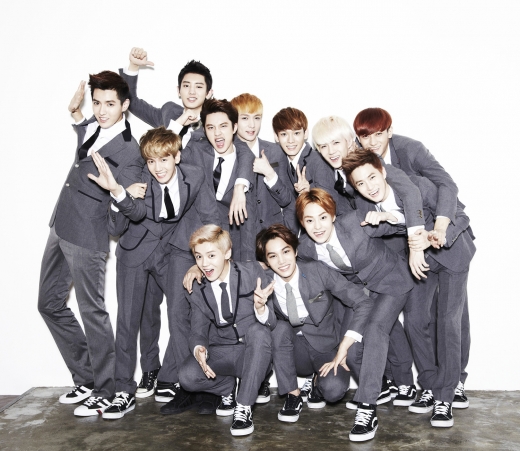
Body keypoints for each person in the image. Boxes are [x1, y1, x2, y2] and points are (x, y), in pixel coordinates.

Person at [118, 49, 253, 392]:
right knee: (166, 309)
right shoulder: (169, 114)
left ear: (209, 91)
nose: (192, 92)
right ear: (178, 90)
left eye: (199, 86)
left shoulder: (216, 125)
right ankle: (168, 375)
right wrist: (132, 68)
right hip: (168, 235)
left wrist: (241, 184)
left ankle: (187, 376)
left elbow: (243, 149)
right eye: (186, 86)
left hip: (213, 232)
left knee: (205, 308)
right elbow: (133, 105)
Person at [86, 126, 219, 419]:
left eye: (164, 160)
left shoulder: (195, 175)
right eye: (151, 161)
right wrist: (119, 194)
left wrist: (200, 259)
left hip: (173, 251)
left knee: (181, 314)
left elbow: (209, 216)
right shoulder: (135, 178)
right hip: (134, 252)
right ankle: (123, 390)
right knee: (128, 321)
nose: (158, 168)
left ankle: (181, 381)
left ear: (177, 157)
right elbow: (121, 224)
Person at [343, 148, 475, 429]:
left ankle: (445, 397)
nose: (370, 187)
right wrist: (386, 219)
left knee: (448, 323)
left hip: (452, 255)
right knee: (415, 321)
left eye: (372, 177)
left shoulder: (419, 186)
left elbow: (462, 216)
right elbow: (382, 230)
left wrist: (439, 234)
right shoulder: (369, 206)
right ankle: (429, 384)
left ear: (383, 171)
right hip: (421, 263)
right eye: (361, 184)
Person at [38, 71, 144, 416]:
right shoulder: (92, 127)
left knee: (92, 313)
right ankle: (86, 377)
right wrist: (75, 112)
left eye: (110, 104)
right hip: (61, 223)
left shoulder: (131, 152)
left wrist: (119, 191)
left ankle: (106, 389)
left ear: (125, 105)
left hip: (89, 237)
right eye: (97, 102)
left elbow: (126, 215)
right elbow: (84, 138)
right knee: (48, 304)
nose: (101, 110)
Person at [295, 188, 414, 410]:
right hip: (359, 292)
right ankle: (386, 384)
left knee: (378, 327)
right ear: (302, 223)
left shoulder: (356, 221)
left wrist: (388, 215)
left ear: (333, 215)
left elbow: (401, 225)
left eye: (323, 217)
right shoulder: (305, 248)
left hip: (391, 278)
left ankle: (379, 396)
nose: (317, 226)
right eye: (309, 220)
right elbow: (283, 260)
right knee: (353, 349)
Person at [254, 224, 374, 434]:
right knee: (279, 329)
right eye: (273, 256)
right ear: (266, 261)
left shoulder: (317, 270)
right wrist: (260, 307)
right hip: (293, 352)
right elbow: (228, 266)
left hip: (326, 348)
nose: (281, 261)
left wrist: (345, 346)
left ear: (295, 251)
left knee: (334, 391)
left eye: (286, 251)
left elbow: (362, 302)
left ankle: (317, 381)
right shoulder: (263, 282)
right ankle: (293, 395)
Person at [178, 225, 273, 436]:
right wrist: (199, 348)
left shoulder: (252, 272)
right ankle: (227, 388)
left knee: (260, 333)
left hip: (252, 353)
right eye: (199, 257)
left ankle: (244, 406)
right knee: (187, 376)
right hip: (221, 351)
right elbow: (198, 329)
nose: (204, 263)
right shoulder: (196, 287)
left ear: (227, 253)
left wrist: (261, 308)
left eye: (211, 255)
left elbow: (272, 322)